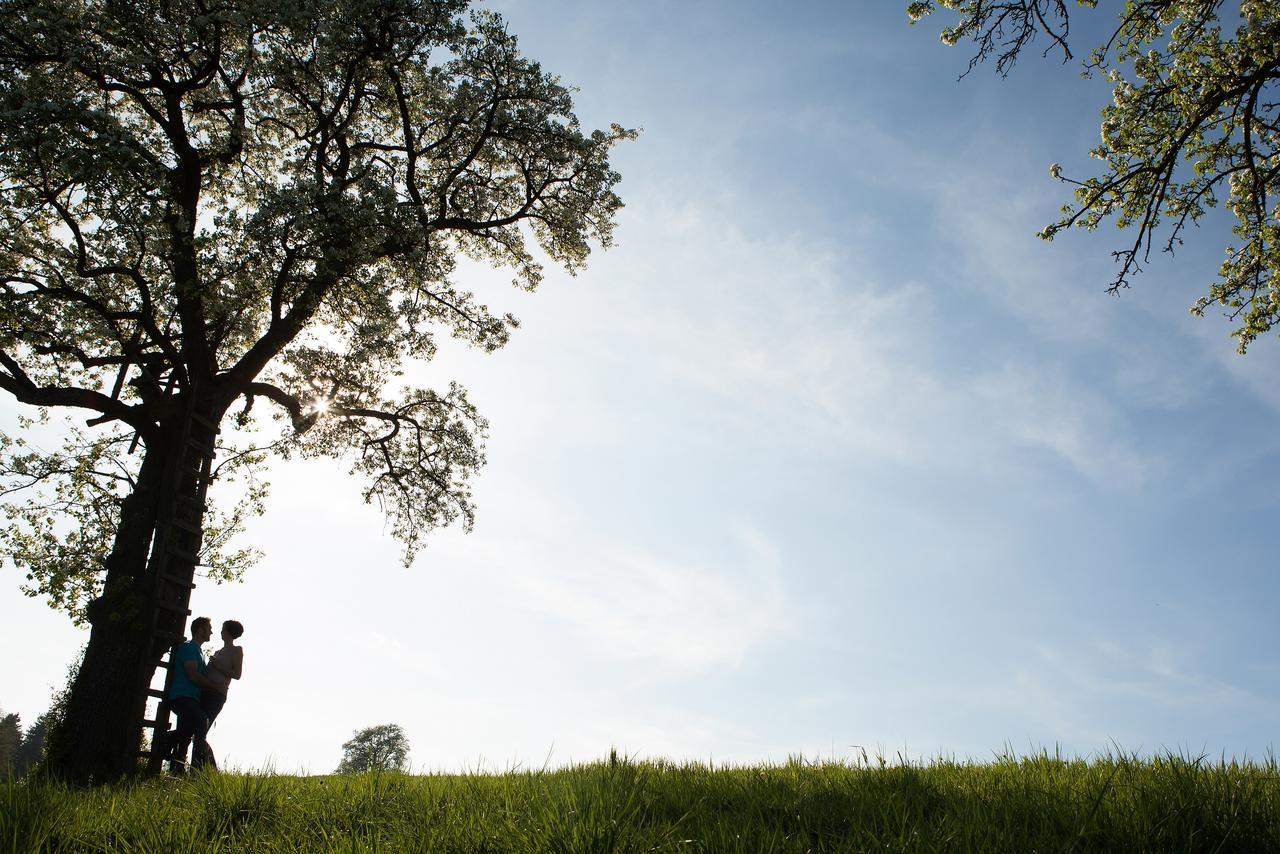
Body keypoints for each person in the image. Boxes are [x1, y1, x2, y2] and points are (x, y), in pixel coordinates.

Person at [164, 616, 224, 774]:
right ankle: (200, 768)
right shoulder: (189, 647)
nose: (211, 631)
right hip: (182, 697)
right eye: (208, 628)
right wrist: (215, 687)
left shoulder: (198, 651)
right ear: (200, 630)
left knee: (186, 734)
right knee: (201, 720)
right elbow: (192, 675)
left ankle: (177, 770)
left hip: (191, 699)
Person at [201, 620, 244, 726]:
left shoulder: (236, 650)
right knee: (195, 725)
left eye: (223, 629)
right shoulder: (217, 652)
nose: (221, 632)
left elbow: (237, 674)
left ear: (228, 632)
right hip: (205, 691)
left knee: (203, 726)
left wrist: (218, 666)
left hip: (217, 694)